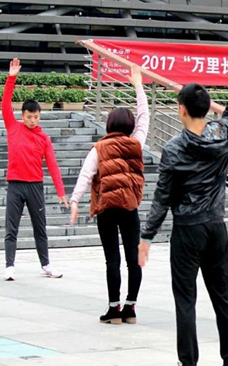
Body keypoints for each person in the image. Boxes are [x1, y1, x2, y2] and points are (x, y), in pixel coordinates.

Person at [139, 16, 228, 366]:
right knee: (223, 296)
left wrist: (146, 237)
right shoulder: (223, 132)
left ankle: (188, 362)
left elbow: (162, 197)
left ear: (183, 110)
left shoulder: (174, 148)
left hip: (188, 230)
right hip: (216, 227)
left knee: (185, 300)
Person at [69, 64, 147, 325]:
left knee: (112, 260)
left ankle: (114, 309)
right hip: (129, 207)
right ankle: (130, 308)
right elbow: (145, 117)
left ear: (109, 124)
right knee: (133, 260)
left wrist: (75, 200)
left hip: (106, 208)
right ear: (130, 125)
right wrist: (138, 86)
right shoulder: (136, 143)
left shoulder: (99, 148)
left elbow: (85, 174)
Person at [2, 58, 67, 281]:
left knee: (40, 228)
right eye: (29, 117)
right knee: (11, 228)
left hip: (35, 186)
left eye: (36, 117)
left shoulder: (43, 138)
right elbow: (5, 104)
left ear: (40, 116)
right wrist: (11, 78)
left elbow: (52, 165)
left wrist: (60, 191)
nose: (32, 120)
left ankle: (46, 264)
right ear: (22, 116)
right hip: (15, 185)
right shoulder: (13, 127)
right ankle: (9, 266)